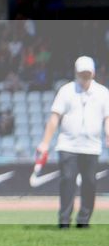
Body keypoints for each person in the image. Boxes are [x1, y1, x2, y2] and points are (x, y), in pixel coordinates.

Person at [35, 56, 109, 229]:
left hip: (92, 147)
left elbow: (108, 118)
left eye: (87, 74)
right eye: (82, 74)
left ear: (93, 73)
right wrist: (45, 143)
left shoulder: (103, 93)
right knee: (67, 180)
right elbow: (54, 118)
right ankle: (64, 220)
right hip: (68, 145)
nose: (84, 77)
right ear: (76, 73)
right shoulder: (66, 91)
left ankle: (84, 221)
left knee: (90, 182)